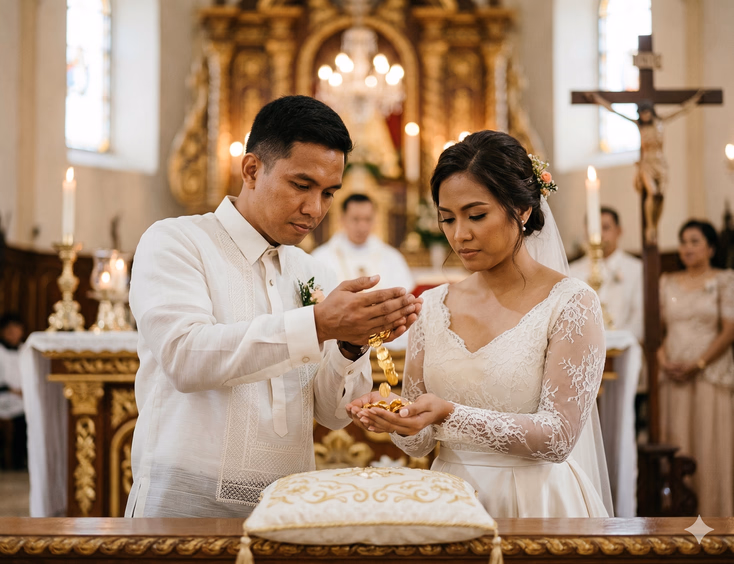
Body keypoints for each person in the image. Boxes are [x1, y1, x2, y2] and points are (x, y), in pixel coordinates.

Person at [125, 96, 422, 518]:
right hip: (185, 498)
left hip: (289, 504)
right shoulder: (177, 241)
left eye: (328, 193)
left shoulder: (310, 271)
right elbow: (185, 358)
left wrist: (351, 346)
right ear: (251, 170)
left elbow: (333, 414)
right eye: (301, 186)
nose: (316, 209)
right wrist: (318, 324)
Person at [348, 130, 613, 518]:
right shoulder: (433, 305)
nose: (460, 235)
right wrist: (395, 416)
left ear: (522, 209)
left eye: (476, 216)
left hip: (537, 503)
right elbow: (420, 443)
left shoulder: (571, 303)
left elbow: (558, 438)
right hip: (450, 502)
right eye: (447, 219)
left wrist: (449, 413)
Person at [659, 219, 734, 517]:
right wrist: (663, 361)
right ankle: (678, 524)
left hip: (709, 376)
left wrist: (699, 363)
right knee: (678, 444)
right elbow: (656, 331)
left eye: (694, 242)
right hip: (673, 377)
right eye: (682, 242)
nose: (686, 248)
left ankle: (717, 523)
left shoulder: (725, 279)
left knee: (710, 446)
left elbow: (729, 330)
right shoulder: (666, 282)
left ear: (711, 248)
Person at [589, 92, 703, 244]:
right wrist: (600, 101)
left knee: (661, 194)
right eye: (642, 113)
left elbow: (680, 110)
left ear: (651, 111)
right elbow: (616, 112)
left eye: (647, 112)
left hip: (660, 163)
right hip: (647, 164)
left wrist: (694, 100)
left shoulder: (660, 121)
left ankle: (655, 224)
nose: (644, 116)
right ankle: (650, 226)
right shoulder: (639, 125)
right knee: (652, 192)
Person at [312, 194, 414, 349]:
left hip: (385, 337)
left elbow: (404, 300)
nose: (362, 226)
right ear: (342, 219)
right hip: (338, 339)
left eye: (367, 219)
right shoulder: (321, 257)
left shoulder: (392, 257)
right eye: (356, 219)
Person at [569, 207, 644, 341]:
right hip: (584, 347)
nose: (599, 234)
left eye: (606, 227)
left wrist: (618, 341)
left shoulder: (636, 269)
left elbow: (639, 316)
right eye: (594, 228)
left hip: (624, 347)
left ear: (619, 231)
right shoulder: (572, 271)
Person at [0, 313, 26, 469]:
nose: (15, 335)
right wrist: (13, 390)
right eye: (11, 331)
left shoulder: (25, 350)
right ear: (3, 331)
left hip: (22, 397)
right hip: (4, 396)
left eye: (18, 331)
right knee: (20, 416)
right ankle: (14, 461)